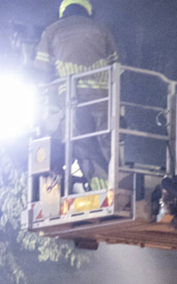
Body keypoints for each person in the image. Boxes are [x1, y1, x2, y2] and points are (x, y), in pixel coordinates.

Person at [34, 0, 118, 190]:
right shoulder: (101, 29)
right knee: (108, 139)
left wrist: (52, 104)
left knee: (81, 143)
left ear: (63, 12)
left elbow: (42, 71)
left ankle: (99, 185)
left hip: (71, 98)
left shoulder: (51, 32)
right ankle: (117, 182)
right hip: (103, 95)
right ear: (88, 11)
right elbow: (116, 66)